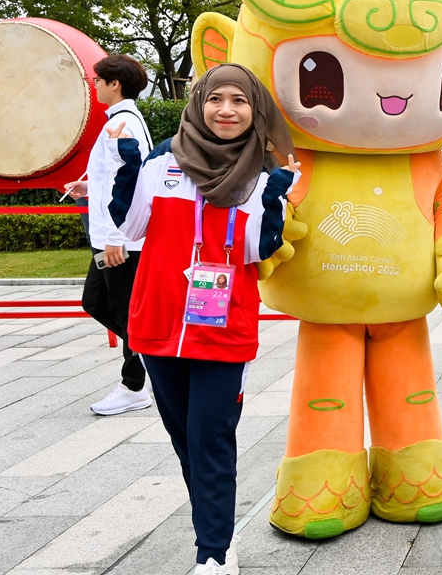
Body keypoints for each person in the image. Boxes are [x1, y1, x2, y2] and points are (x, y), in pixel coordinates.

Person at [108, 64, 298, 575]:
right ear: (200, 104)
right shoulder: (161, 164)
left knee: (210, 435)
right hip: (159, 323)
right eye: (217, 99)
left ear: (254, 110)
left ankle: (212, 552)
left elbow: (257, 250)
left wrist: (276, 199)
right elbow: (130, 228)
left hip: (223, 326)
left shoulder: (259, 177)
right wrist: (128, 168)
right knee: (184, 438)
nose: (227, 110)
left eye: (240, 101)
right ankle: (217, 528)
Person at [68, 54, 155, 416]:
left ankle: (134, 385)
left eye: (98, 80)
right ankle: (151, 357)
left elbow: (134, 182)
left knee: (123, 312)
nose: (95, 85)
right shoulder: (120, 121)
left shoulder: (123, 124)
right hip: (113, 237)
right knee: (97, 303)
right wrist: (88, 188)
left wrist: (118, 236)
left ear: (114, 83)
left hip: (121, 240)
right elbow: (114, 179)